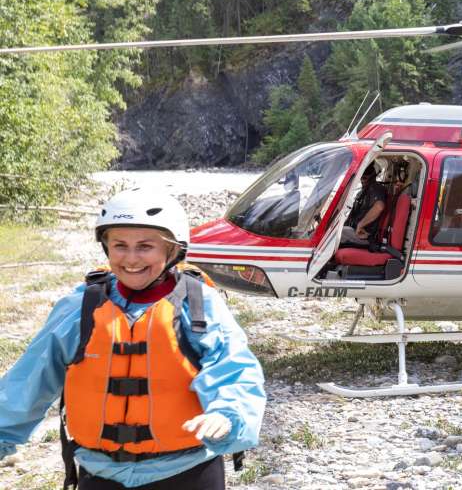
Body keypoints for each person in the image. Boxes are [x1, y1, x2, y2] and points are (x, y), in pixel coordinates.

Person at [0, 188, 266, 489]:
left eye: (145, 246)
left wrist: (228, 414)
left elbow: (234, 368)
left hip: (186, 471)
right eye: (120, 245)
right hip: (100, 473)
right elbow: (29, 380)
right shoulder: (79, 308)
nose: (131, 258)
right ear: (106, 248)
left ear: (172, 250)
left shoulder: (199, 305)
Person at [340, 163, 387, 246]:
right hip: (352, 229)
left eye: (365, 177)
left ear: (373, 176)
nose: (362, 180)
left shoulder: (377, 188)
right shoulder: (361, 193)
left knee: (336, 235)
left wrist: (361, 225)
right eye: (361, 177)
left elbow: (379, 206)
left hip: (364, 235)